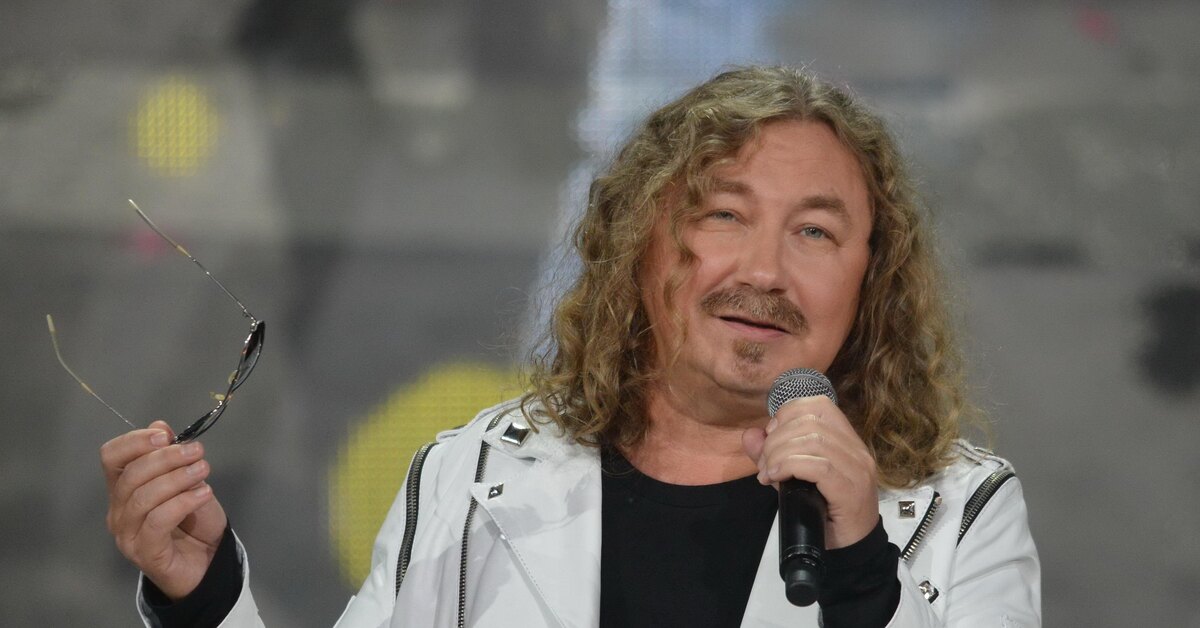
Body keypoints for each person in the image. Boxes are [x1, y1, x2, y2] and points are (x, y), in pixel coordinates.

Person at [100, 66, 1041, 627]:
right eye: (723, 215)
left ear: (872, 280)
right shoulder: (471, 475)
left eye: (817, 232)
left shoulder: (961, 513)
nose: (765, 270)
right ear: (642, 244)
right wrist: (204, 598)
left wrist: (863, 567)